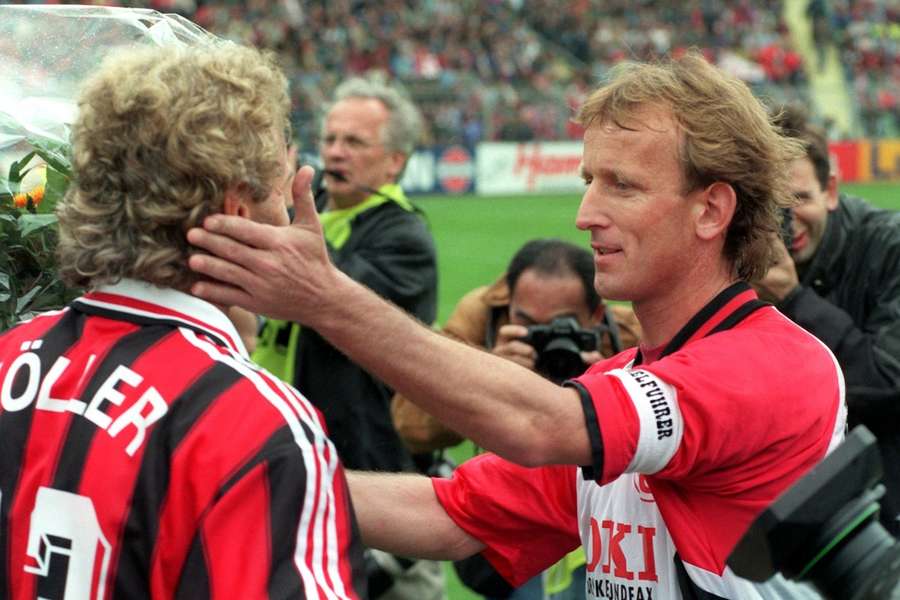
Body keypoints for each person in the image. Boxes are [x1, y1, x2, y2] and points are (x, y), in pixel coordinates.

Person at [186, 53, 847, 599]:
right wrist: (228, 482)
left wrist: (325, 298)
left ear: (711, 211)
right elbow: (448, 515)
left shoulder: (779, 366)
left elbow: (543, 425)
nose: (586, 212)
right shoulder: (617, 389)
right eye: (590, 180)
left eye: (621, 185)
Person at [0, 45, 365, 598]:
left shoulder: (9, 356)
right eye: (282, 187)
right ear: (240, 211)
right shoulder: (254, 423)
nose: (291, 214)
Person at [251, 77, 442, 600]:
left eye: (355, 142)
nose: (336, 152)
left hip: (372, 486)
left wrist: (282, 215)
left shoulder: (403, 236)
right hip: (295, 463)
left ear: (395, 162)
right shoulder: (309, 206)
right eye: (331, 138)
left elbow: (334, 302)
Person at [390, 238, 640, 600]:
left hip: (602, 525)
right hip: (517, 520)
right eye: (527, 324)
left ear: (596, 317)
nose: (545, 343)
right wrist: (489, 379)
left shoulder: (627, 334)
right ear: (508, 308)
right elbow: (410, 424)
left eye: (561, 327)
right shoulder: (482, 319)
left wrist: (605, 386)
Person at [754, 104, 900, 537]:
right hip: (780, 499)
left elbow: (888, 379)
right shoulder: (740, 251)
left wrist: (792, 298)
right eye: (770, 204)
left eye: (799, 199)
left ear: (831, 190)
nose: (786, 221)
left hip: (883, 500)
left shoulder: (888, 247)